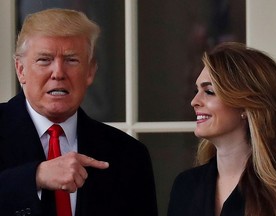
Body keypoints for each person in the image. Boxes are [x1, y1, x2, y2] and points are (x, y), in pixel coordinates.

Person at [0, 8, 158, 216]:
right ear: (21, 70)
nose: (58, 73)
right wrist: (35, 177)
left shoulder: (128, 154)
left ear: (90, 71)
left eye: (71, 60)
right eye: (44, 60)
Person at [168, 42, 276, 216]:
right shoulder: (186, 186)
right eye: (197, 90)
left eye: (209, 91)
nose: (194, 101)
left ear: (246, 106)